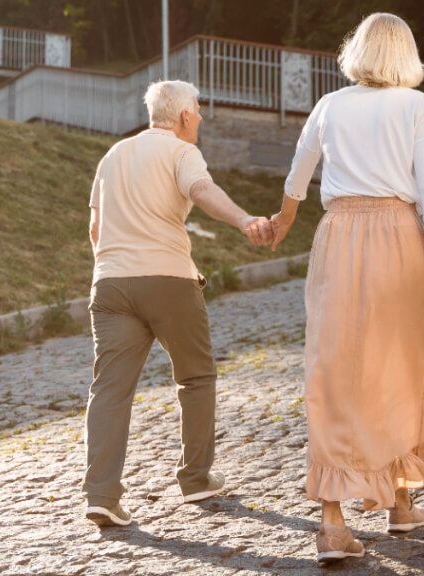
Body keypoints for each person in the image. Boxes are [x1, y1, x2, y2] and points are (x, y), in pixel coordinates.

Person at [269, 13, 424, 562]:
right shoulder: (417, 107)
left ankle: (346, 517)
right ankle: (396, 502)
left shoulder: (330, 105)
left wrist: (282, 222)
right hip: (400, 239)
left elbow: (297, 175)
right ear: (406, 53)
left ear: (356, 50)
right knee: (399, 366)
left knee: (335, 368)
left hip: (338, 238)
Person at [83, 79, 275, 527]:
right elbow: (202, 191)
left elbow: (94, 227)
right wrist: (245, 219)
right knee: (195, 377)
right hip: (168, 279)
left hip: (109, 285)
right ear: (185, 116)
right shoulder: (181, 151)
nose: (202, 118)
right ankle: (195, 479)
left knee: (109, 390)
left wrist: (111, 266)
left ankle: (101, 495)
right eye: (200, 111)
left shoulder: (113, 155)